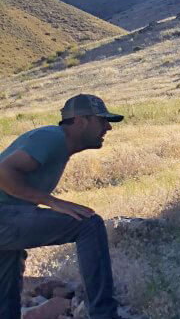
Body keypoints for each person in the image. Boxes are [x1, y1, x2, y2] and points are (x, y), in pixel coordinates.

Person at [0, 94, 123, 319]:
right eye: (102, 120)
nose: (108, 127)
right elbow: (3, 173)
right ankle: (104, 314)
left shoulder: (54, 141)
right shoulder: (52, 138)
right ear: (81, 120)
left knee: (6, 306)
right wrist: (53, 202)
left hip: (8, 220)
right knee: (88, 225)